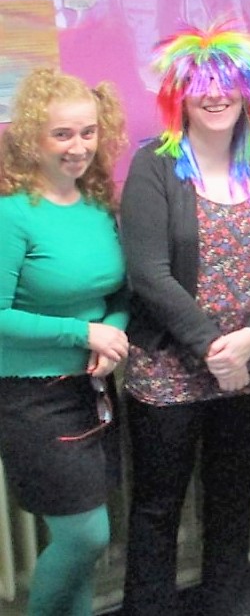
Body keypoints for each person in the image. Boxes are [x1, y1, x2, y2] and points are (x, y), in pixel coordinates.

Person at [119, 19, 250, 616]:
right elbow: (148, 273)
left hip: (249, 369)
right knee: (156, 508)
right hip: (169, 372)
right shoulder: (153, 167)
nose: (216, 96)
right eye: (202, 85)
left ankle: (225, 606)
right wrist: (212, 348)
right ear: (181, 95)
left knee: (229, 501)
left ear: (248, 91)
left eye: (229, 84)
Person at [0, 68, 128, 616]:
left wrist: (114, 328)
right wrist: (82, 332)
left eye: (88, 132)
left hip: (92, 392)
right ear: (33, 137)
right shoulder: (12, 214)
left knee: (80, 548)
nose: (78, 148)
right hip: (32, 399)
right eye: (62, 135)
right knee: (85, 538)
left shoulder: (99, 208)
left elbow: (121, 293)